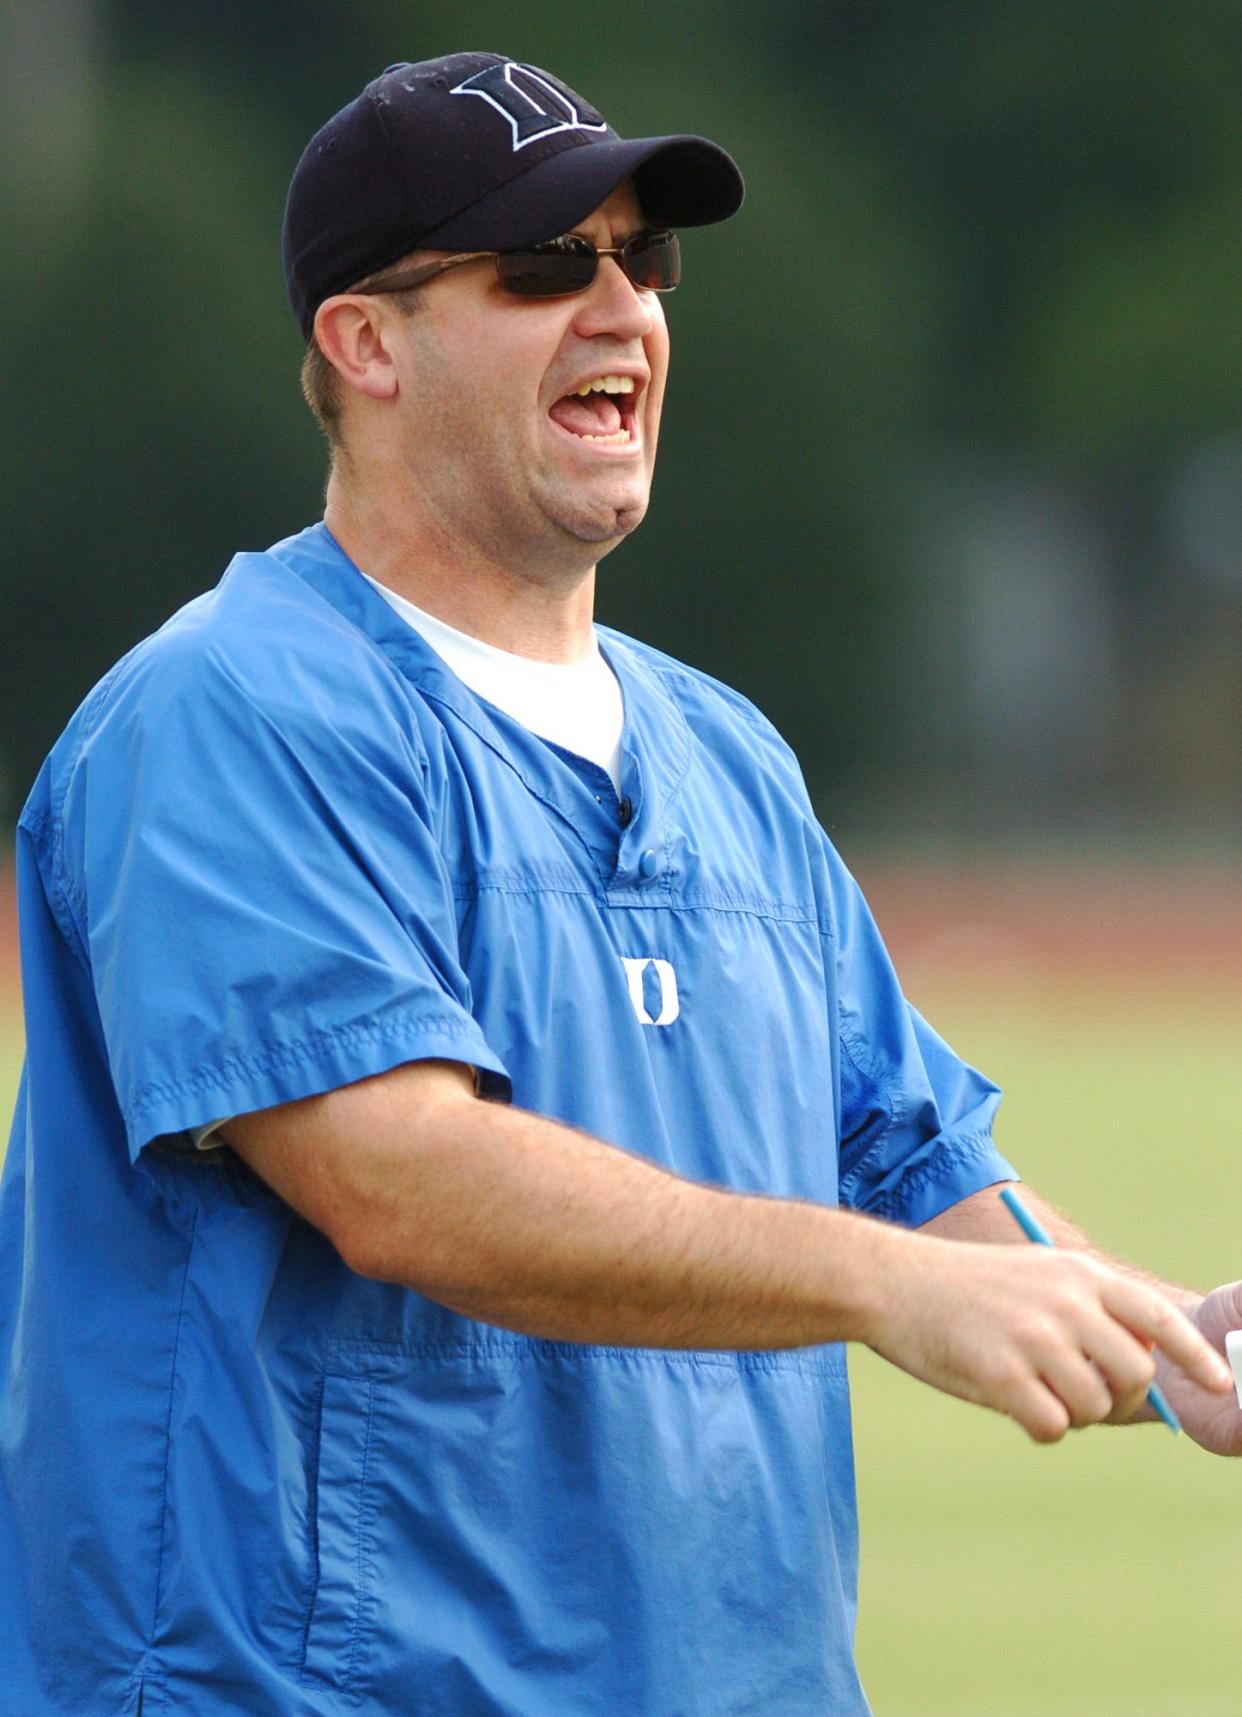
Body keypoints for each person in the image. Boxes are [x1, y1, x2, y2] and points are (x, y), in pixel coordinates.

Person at [1, 52, 1239, 1717]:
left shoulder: (724, 753)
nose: (618, 307)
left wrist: (1175, 1344)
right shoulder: (227, 712)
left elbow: (901, 1159)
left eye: (639, 259)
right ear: (362, 343)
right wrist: (889, 1284)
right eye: (538, 266)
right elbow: (399, 1176)